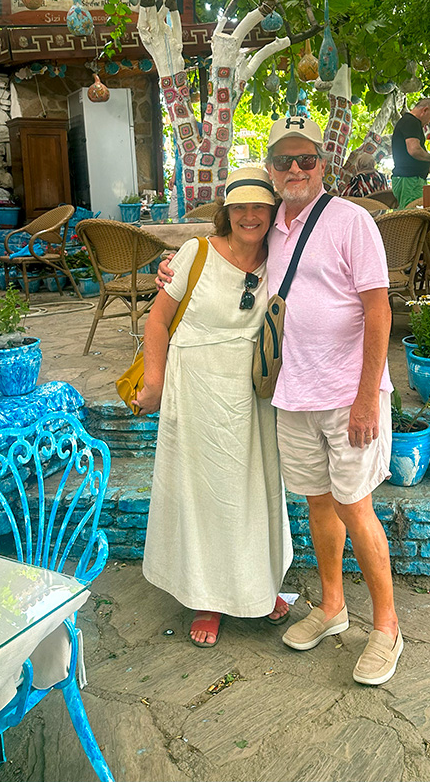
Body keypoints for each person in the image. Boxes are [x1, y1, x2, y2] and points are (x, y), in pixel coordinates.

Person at [158, 115, 402, 686]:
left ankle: (387, 628)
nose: (295, 169)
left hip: (347, 396)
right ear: (270, 170)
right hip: (291, 394)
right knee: (319, 505)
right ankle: (333, 606)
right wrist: (168, 265)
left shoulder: (352, 222)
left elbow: (378, 310)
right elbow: (221, 252)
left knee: (355, 507)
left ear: (324, 164)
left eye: (307, 160)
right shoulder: (272, 230)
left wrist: (369, 397)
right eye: (284, 161)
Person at [137, 167, 293, 647]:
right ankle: (207, 596)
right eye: (240, 207)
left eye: (259, 207)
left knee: (255, 489)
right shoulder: (194, 254)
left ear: (272, 212)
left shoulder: (282, 257)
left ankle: (259, 585)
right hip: (196, 387)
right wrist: (155, 382)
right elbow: (158, 322)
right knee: (206, 494)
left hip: (251, 390)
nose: (250, 216)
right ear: (226, 212)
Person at [390, 98, 430, 208]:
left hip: (411, 180)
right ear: (425, 110)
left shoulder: (409, 122)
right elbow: (414, 150)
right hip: (410, 180)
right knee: (411, 218)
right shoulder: (412, 122)